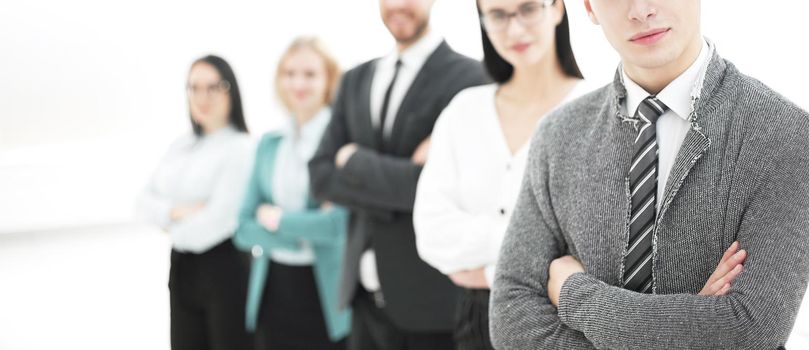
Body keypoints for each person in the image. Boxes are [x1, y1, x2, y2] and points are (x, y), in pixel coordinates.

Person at [489, 1, 809, 349]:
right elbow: (511, 318)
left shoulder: (785, 133)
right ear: (589, 7)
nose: (641, 10)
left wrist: (576, 295)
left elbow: (749, 330)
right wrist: (688, 326)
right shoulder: (558, 135)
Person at [308, 0, 488, 348]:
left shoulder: (471, 80)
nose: (399, 5)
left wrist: (355, 161)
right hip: (360, 302)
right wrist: (408, 179)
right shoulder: (355, 79)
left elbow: (448, 188)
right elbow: (320, 176)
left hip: (431, 308)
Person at [412, 0, 587, 349]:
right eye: (497, 14)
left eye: (527, 9)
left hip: (563, 320)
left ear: (556, 8)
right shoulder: (464, 110)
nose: (514, 28)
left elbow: (597, 250)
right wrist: (536, 252)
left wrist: (492, 272)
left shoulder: (596, 109)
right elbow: (432, 232)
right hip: (476, 321)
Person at [233, 36, 349, 350]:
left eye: (310, 74)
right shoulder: (270, 145)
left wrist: (275, 218)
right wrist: (301, 231)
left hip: (324, 294)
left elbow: (336, 226)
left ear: (328, 81)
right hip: (273, 289)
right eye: (290, 73)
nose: (298, 82)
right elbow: (242, 227)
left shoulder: (341, 143)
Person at [136, 55, 253, 350]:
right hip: (182, 268)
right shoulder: (182, 145)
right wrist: (176, 211)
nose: (203, 97)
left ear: (230, 91)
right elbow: (142, 202)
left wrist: (168, 222)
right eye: (194, 88)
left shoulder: (240, 148)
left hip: (225, 267)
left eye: (213, 87)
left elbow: (217, 222)